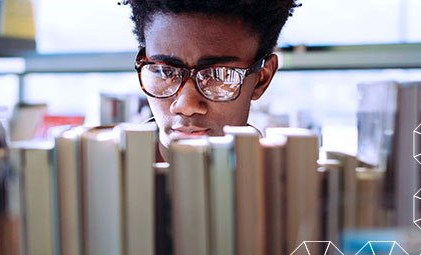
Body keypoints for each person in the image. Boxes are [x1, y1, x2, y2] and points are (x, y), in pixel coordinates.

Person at [123, 0, 300, 161]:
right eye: (165, 72)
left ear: (262, 78)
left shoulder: (291, 190)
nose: (186, 105)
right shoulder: (100, 182)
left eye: (217, 75)